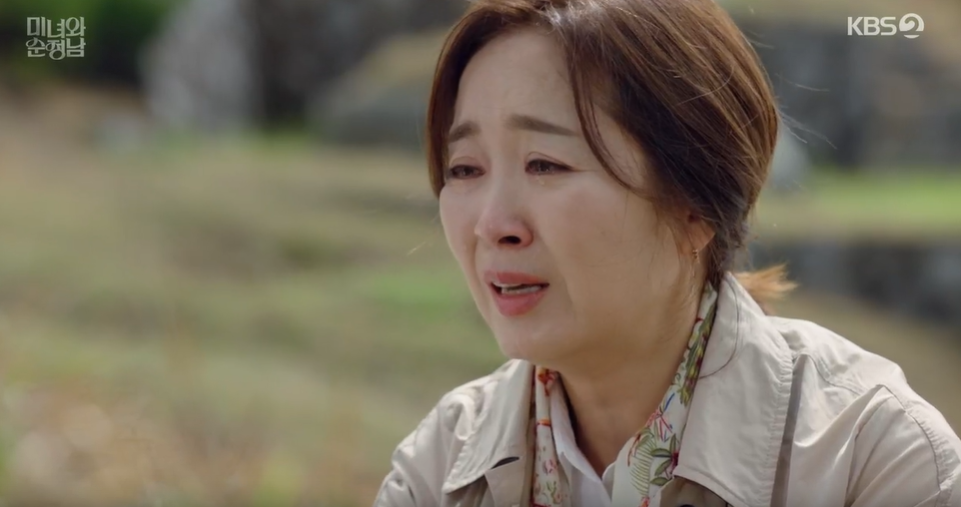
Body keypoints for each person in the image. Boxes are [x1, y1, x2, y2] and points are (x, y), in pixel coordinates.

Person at [374, 0, 961, 505]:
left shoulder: (869, 458)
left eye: (545, 164)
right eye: (464, 168)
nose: (492, 225)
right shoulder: (442, 464)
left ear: (694, 206)